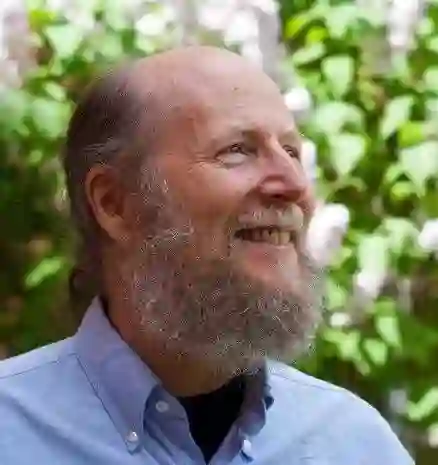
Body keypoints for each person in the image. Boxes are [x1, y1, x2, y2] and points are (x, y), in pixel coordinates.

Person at [0, 46, 413, 465]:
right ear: (116, 204)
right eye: (237, 150)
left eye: (292, 152)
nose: (295, 185)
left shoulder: (354, 444)